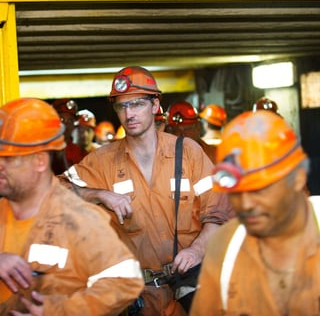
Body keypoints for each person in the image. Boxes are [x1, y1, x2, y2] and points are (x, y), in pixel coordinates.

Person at [60, 66, 234, 315]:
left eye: (137, 104)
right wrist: (98, 194)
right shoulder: (102, 162)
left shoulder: (188, 154)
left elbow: (218, 215)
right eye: (121, 106)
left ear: (155, 105)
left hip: (189, 288)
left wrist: (197, 250)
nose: (129, 113)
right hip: (139, 297)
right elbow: (55, 189)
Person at [0, 98, 144, 316]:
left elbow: (125, 282)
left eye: (6, 158)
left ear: (40, 162)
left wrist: (57, 312)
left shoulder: (78, 220)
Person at [190, 110, 319, 316]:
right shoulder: (225, 245)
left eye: (259, 190)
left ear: (298, 179)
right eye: (237, 192)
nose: (246, 205)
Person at [51, 98, 86, 174]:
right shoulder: (44, 150)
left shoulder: (79, 153)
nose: (66, 125)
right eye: (62, 120)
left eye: (70, 120)